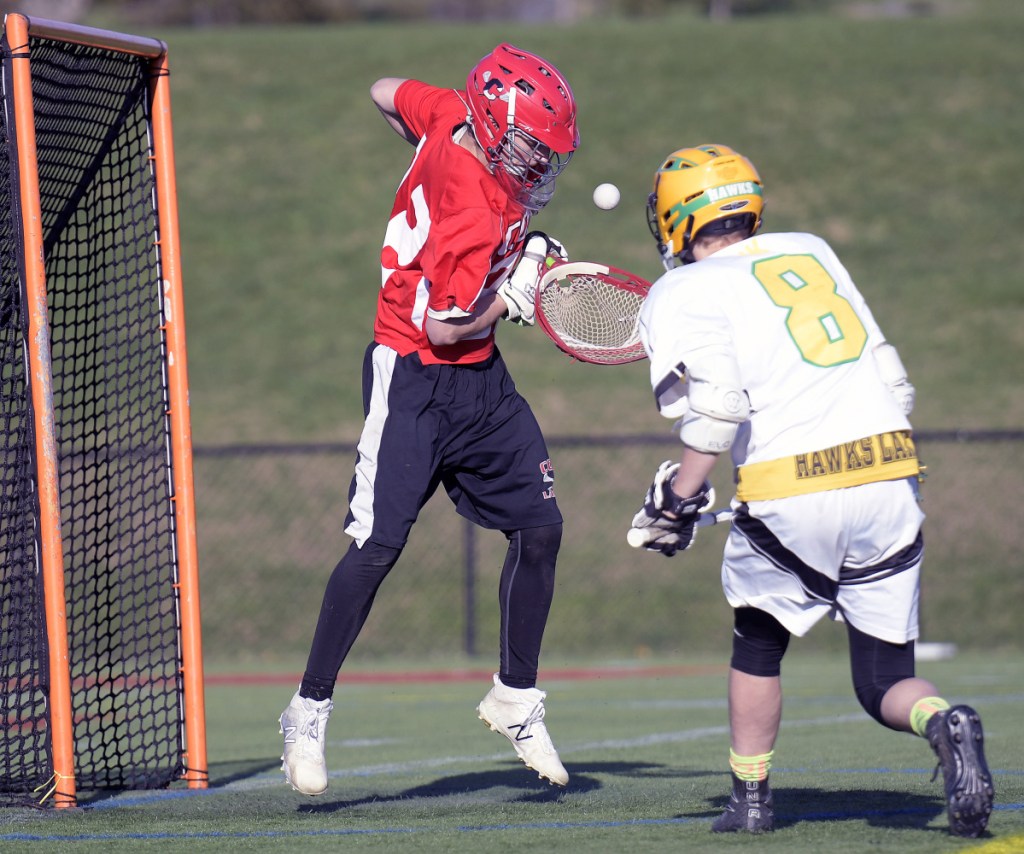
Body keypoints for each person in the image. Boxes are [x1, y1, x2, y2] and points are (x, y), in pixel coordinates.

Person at [628, 144, 995, 837]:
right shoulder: (813, 250)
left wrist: (676, 502)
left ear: (678, 218)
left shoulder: (682, 289)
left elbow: (717, 413)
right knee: (883, 680)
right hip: (890, 473)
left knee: (759, 643)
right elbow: (894, 378)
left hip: (791, 488)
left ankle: (753, 799)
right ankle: (943, 720)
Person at [277, 43, 579, 796]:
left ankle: (514, 696)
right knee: (377, 546)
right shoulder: (474, 203)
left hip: (481, 387)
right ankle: (307, 708)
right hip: (415, 372)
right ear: (490, 122)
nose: (538, 166)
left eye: (546, 152)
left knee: (540, 528)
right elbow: (448, 328)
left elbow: (383, 89)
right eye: (528, 148)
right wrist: (514, 294)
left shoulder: (450, 113)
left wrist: (433, 133)